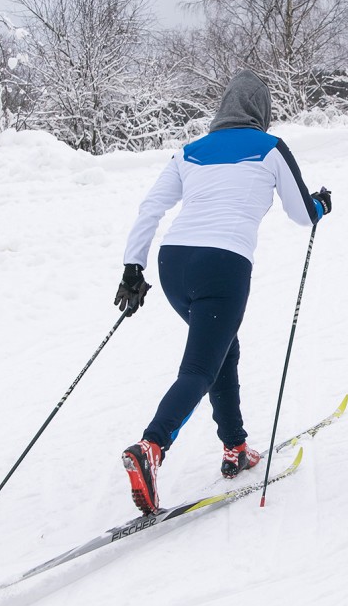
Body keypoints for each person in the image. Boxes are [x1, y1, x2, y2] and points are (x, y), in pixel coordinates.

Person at [114, 71, 330, 515]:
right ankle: (151, 446)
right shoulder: (270, 147)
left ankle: (235, 446)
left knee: (221, 352)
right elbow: (302, 214)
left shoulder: (189, 151)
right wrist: (322, 204)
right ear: (262, 111)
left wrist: (132, 268)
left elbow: (151, 207)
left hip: (174, 264)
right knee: (199, 367)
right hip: (223, 267)